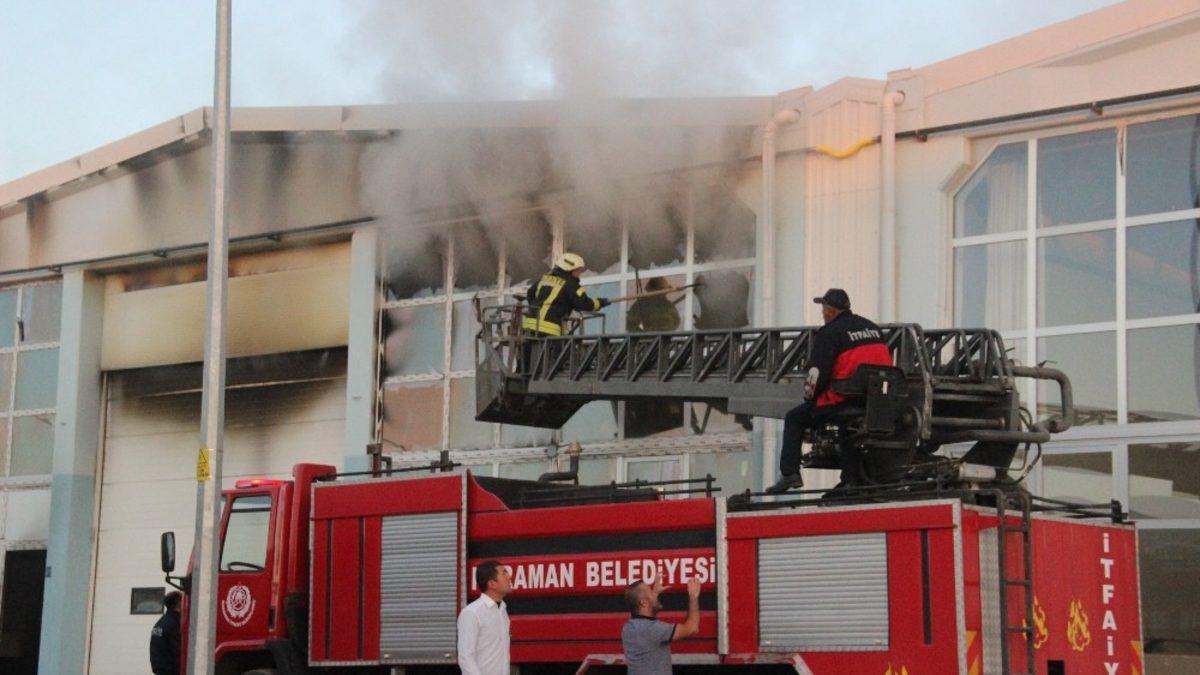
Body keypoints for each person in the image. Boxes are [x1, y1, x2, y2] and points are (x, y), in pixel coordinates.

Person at [767, 288, 893, 494]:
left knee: (795, 418)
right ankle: (850, 480)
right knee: (847, 427)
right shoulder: (873, 328)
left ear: (831, 311)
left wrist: (810, 398)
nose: (823, 314)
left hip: (844, 397)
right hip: (875, 400)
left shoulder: (830, 332)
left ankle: (790, 473)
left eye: (824, 309)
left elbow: (817, 374)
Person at [621, 574, 702, 675]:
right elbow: (692, 628)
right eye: (650, 592)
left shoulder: (628, 627)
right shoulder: (652, 629)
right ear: (643, 603)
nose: (653, 593)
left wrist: (654, 593)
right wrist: (693, 596)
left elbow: (646, 609)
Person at [522, 252, 611, 337]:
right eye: (578, 270)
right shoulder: (571, 284)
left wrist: (535, 309)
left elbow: (530, 294)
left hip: (529, 327)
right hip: (549, 331)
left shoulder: (544, 279)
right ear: (569, 269)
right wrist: (600, 303)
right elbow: (583, 304)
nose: (579, 273)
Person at [457, 560, 513, 675]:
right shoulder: (472, 613)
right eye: (504, 573)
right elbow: (466, 657)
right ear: (492, 584)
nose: (509, 577)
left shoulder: (502, 610)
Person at [149, 591, 182, 675]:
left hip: (160, 669)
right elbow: (177, 649)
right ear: (179, 603)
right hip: (171, 670)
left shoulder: (161, 622)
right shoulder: (175, 623)